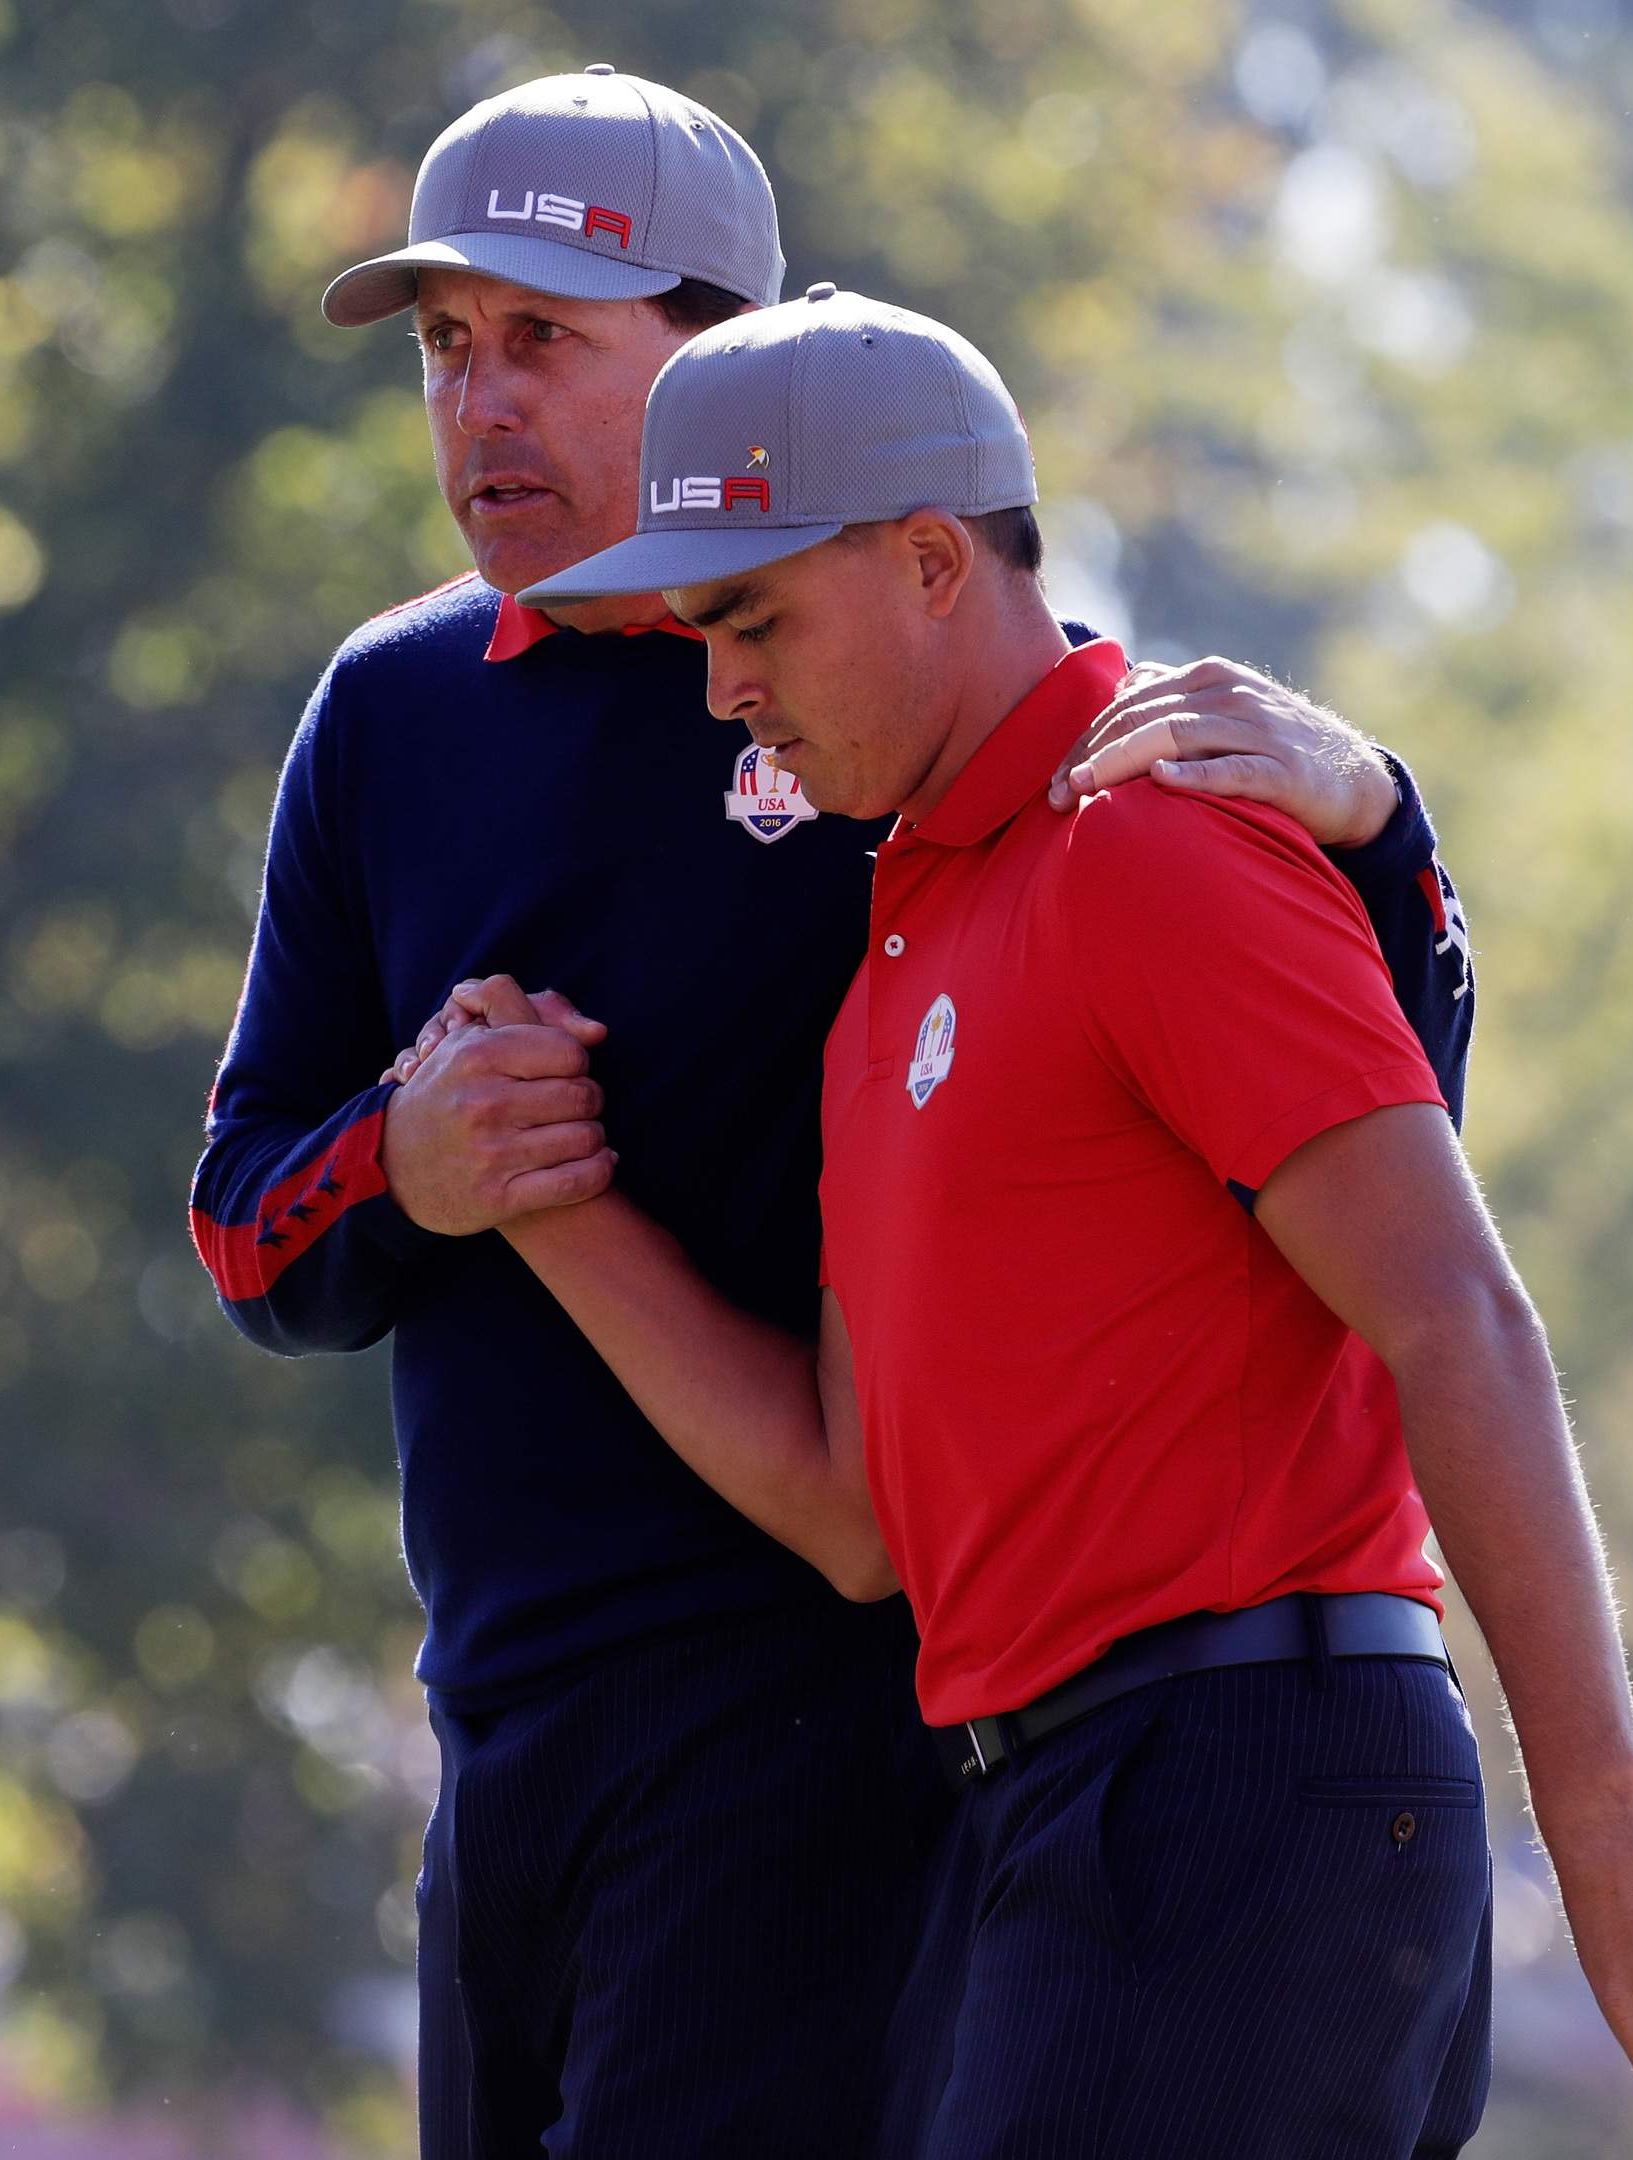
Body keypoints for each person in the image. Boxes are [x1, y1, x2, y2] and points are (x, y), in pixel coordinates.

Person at [188, 70, 1479, 2160]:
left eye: (541, 338)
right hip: (495, 1722)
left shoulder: (908, 694)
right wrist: (414, 1168)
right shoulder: (388, 715)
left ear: (723, 358)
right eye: (442, 349)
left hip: (833, 1721)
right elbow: (248, 1231)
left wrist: (1386, 827)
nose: (476, 408)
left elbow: (1342, 1116)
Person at [444, 289, 1633, 2155]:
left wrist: (1601, 1805)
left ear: (931, 560)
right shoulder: (892, 958)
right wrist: (546, 1195)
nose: (721, 686)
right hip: (1060, 1814)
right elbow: (852, 1518)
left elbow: (1452, 1316)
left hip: (1240, 1782)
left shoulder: (1151, 843)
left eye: (754, 619)